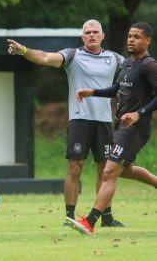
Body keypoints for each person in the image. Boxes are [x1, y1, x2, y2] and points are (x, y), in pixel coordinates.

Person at [7, 20, 127, 227]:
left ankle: (106, 218)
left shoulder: (114, 58)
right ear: (82, 37)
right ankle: (69, 217)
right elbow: (44, 57)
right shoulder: (73, 56)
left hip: (104, 122)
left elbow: (137, 72)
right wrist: (23, 50)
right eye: (87, 32)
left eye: (95, 32)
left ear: (102, 36)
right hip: (79, 120)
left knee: (105, 170)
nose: (91, 35)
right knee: (75, 168)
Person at [67, 22, 157, 235]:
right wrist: (93, 92)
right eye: (129, 36)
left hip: (136, 129)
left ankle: (90, 222)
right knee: (123, 171)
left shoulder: (149, 65)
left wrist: (138, 113)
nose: (131, 40)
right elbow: (118, 88)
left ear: (148, 41)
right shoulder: (127, 63)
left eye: (136, 37)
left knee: (109, 172)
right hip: (121, 126)